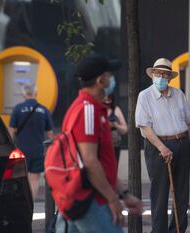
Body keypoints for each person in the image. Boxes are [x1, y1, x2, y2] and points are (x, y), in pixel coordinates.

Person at [55, 53, 142, 233]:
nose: (112, 79)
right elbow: (90, 161)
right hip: (91, 200)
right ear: (100, 80)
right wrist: (112, 199)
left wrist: (124, 195)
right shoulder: (87, 111)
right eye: (109, 75)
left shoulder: (91, 109)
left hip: (85, 198)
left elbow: (101, 163)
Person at [135, 58, 190, 233]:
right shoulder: (144, 96)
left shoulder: (178, 94)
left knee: (182, 193)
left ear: (170, 77)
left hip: (182, 143)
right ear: (153, 75)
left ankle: (177, 230)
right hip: (158, 146)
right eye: (158, 74)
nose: (161, 77)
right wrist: (162, 148)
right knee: (160, 193)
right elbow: (145, 127)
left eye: (165, 74)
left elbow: (188, 124)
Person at [9, 83, 54, 200]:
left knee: (20, 179)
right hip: (38, 150)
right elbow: (49, 134)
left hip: (21, 150)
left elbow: (12, 131)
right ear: (36, 93)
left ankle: (22, 204)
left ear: (24, 94)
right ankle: (32, 204)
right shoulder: (43, 110)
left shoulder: (18, 109)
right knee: (34, 178)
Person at [103, 94, 127, 161]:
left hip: (114, 145)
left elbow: (125, 129)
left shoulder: (116, 110)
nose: (107, 102)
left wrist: (115, 125)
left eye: (109, 100)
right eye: (105, 100)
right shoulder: (98, 110)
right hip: (102, 146)